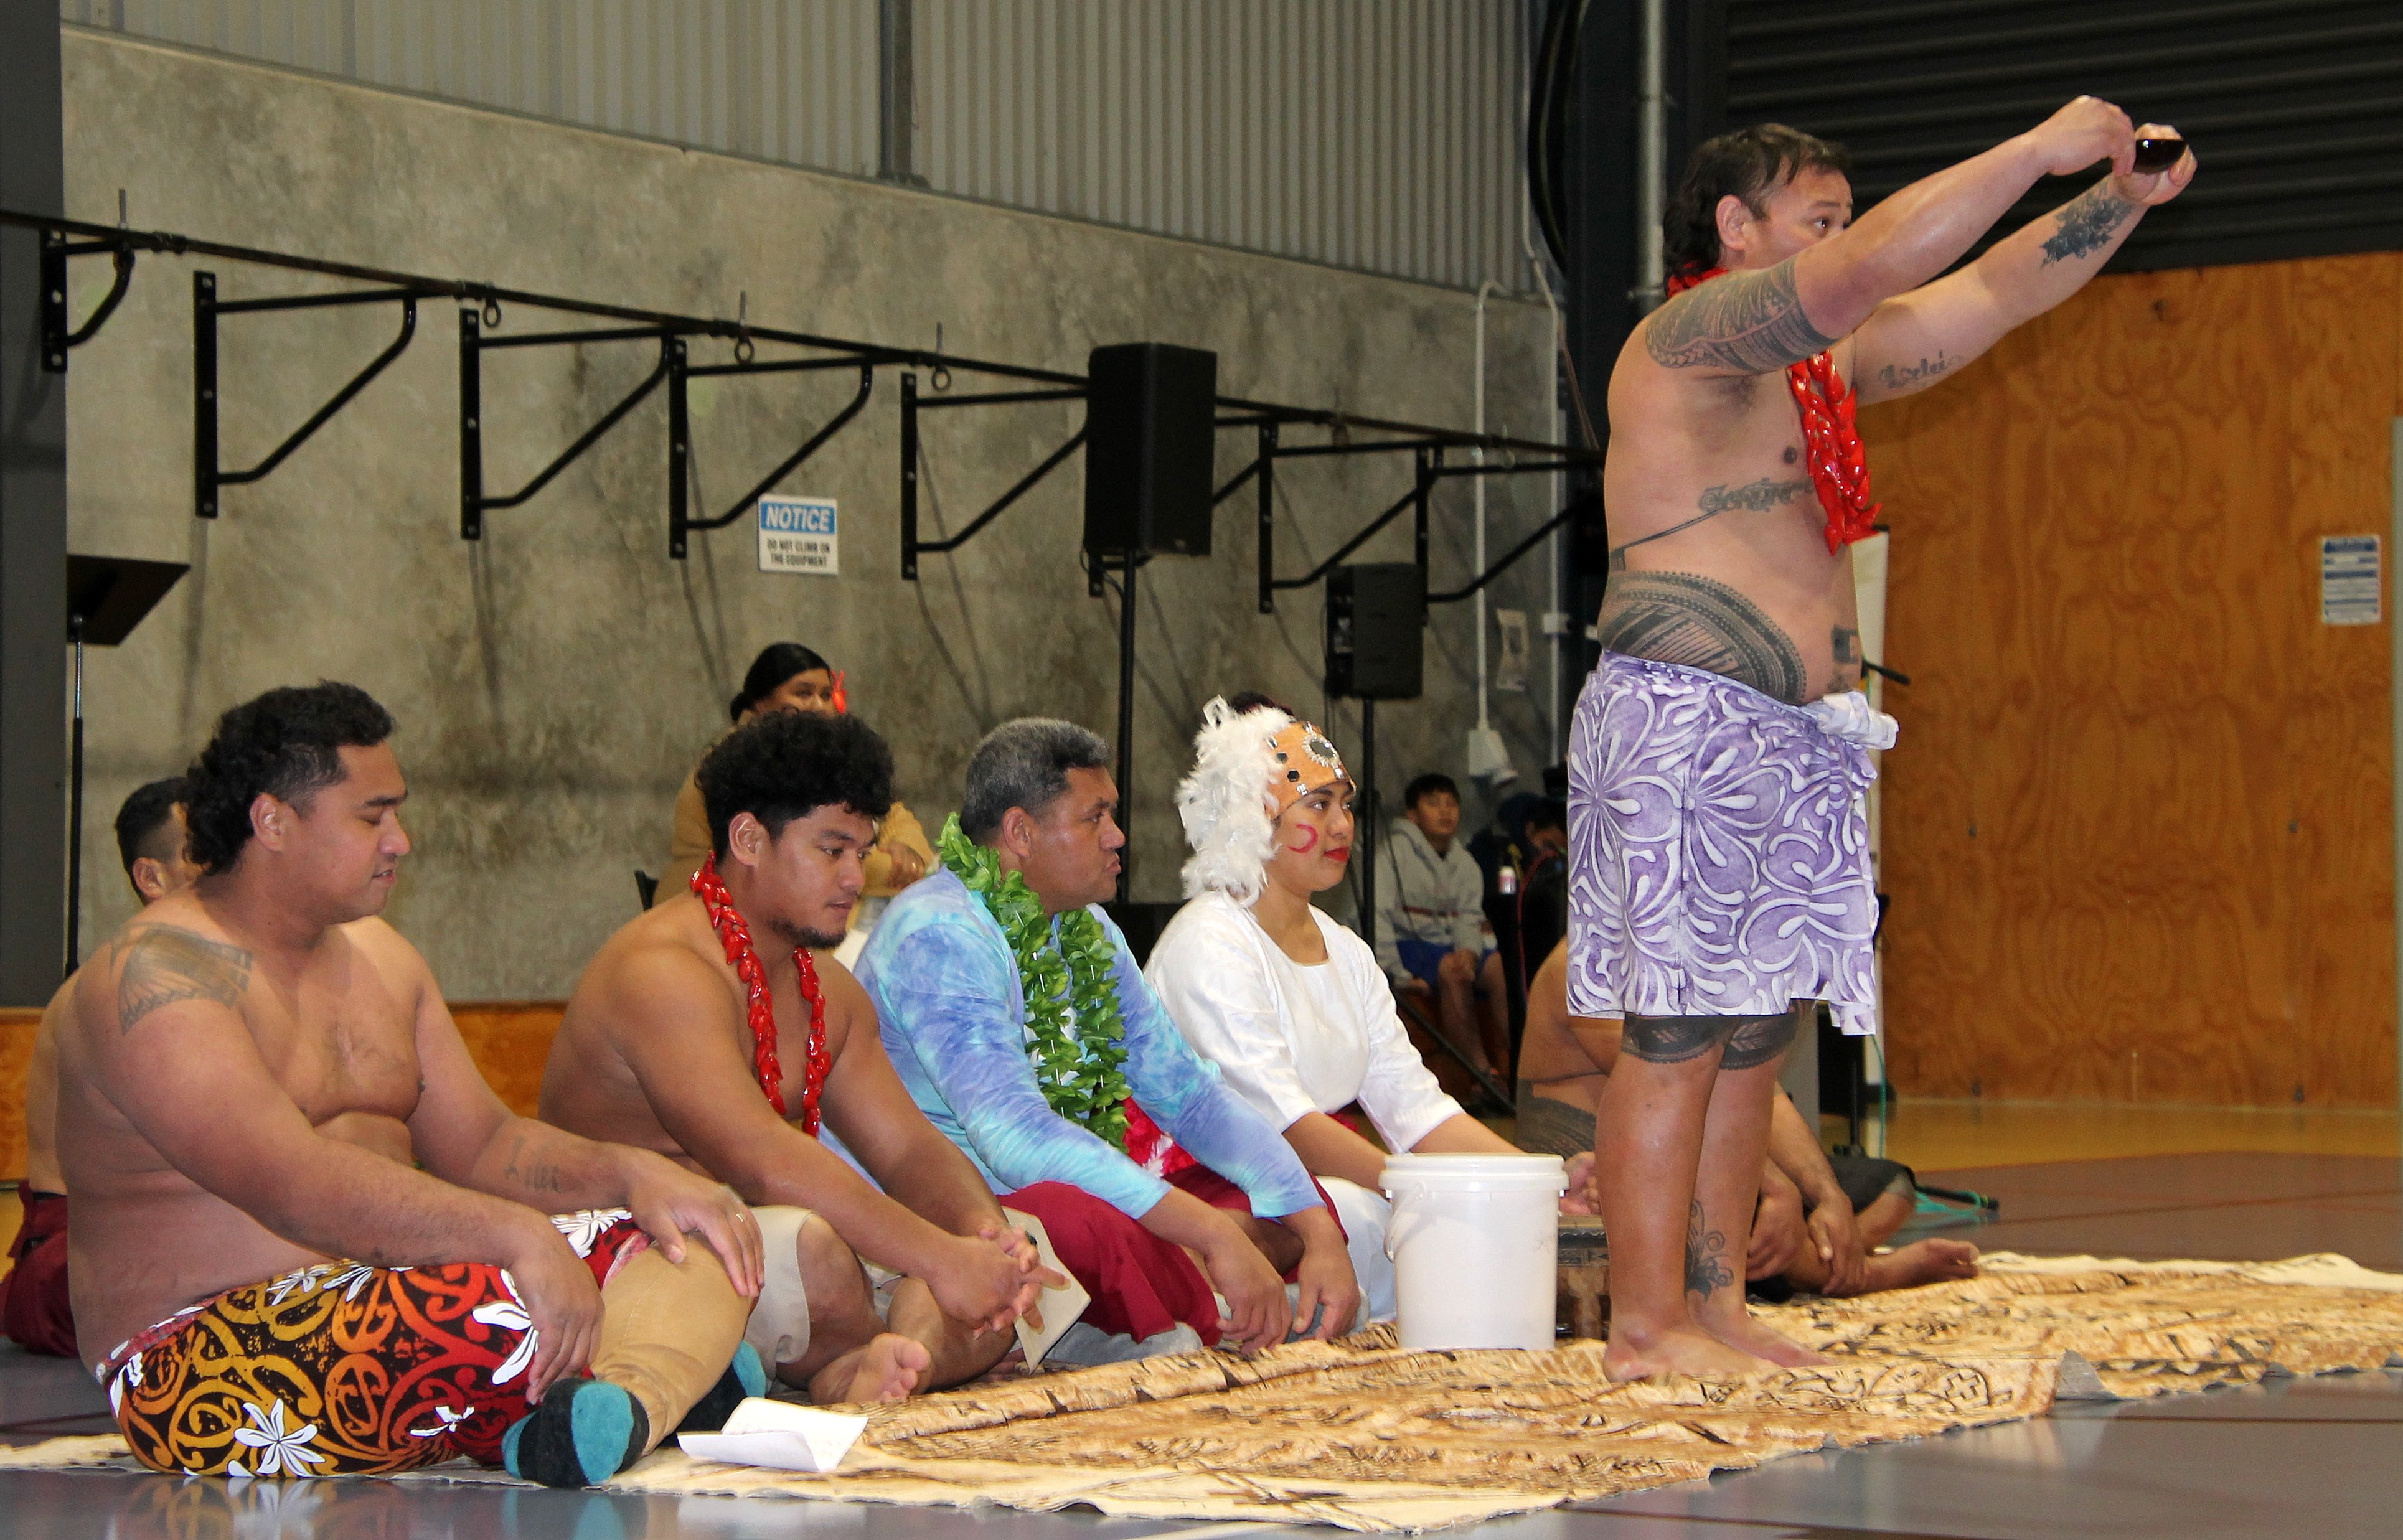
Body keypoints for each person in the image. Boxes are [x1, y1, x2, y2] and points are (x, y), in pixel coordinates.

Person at [1578, 105, 2193, 1379]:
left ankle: (1714, 1308)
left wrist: (2119, 200)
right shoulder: (1687, 335)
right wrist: (2035, 152)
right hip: (1689, 720)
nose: (1844, 240)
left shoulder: (1825, 369)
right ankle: (1645, 1325)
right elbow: (1877, 269)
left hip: (1801, 736)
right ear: (1735, 226)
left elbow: (1991, 293)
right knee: (1680, 1027)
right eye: (1817, 215)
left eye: (1845, 214)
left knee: (1753, 1039)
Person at [57, 683, 764, 1484]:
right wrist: (517, 1234)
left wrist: (636, 1174)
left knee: (695, 1238)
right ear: (273, 821)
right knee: (499, 1305)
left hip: (394, 1287)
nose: (402, 840)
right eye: (372, 815)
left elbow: (488, 1143)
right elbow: (294, 1184)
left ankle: (619, 1404)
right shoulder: (156, 977)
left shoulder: (384, 959)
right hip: (198, 1353)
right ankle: (652, 1382)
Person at [544, 708, 1068, 1402]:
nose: (857, 876)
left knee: (1022, 1245)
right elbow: (762, 1159)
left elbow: (907, 1149)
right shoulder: (662, 970)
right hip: (634, 1245)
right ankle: (890, 1356)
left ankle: (885, 1361)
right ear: (749, 838)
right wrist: (942, 1259)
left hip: (765, 1245)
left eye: (863, 849)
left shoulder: (828, 989)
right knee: (815, 1248)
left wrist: (983, 1236)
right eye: (832, 850)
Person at [856, 718, 1360, 1355]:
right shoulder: (940, 933)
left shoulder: (1084, 927)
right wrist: (1208, 1231)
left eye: (1112, 815)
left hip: (1050, 1194)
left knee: (1284, 1198)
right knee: (1087, 1218)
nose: (1118, 837)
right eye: (1094, 817)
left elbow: (1188, 1094)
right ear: (1020, 833)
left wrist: (1316, 1230)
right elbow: (1016, 1140)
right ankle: (1180, 1309)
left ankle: (1178, 1302)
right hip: (955, 1213)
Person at [1147, 697, 1595, 1323]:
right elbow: (1283, 1125)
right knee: (1380, 1215)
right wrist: (1434, 1192)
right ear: (1255, 816)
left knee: (1434, 1219)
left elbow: (1416, 1110)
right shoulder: (1209, 941)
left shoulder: (1346, 951)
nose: (1341, 827)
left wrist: (1535, 1180)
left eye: (1345, 804)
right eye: (1319, 804)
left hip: (1326, 1184)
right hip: (1217, 1188)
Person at [1515, 941, 1976, 1298]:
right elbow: (1667, 1095)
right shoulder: (1583, 962)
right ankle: (1866, 1273)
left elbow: (1756, 1094)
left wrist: (1825, 1194)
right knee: (1742, 1213)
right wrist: (1774, 1187)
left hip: (1693, 1154)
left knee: (1892, 1188)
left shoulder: (1699, 959)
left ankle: (1811, 1257)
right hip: (1597, 1177)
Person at [2, 779, 201, 1359]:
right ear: (152, 878)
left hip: (175, 1242)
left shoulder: (229, 983)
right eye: (201, 849)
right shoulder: (119, 987)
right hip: (82, 1263)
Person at [666, 643, 934, 930]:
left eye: (826, 694)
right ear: (760, 703)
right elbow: (801, 861)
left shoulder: (825, 755)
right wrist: (894, 870)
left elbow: (893, 812)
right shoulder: (745, 760)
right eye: (804, 693)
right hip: (719, 914)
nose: (819, 706)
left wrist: (908, 850)